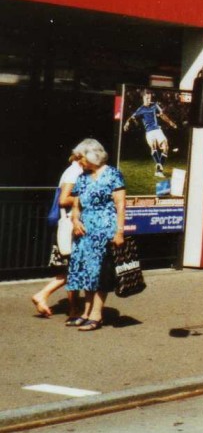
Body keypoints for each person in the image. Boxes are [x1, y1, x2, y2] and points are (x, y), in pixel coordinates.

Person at [65, 138, 126, 331]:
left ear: (92, 155)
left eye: (81, 157)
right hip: (84, 232)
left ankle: (97, 314)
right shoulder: (83, 177)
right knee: (85, 271)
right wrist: (75, 221)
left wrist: (120, 231)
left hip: (105, 229)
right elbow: (75, 204)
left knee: (100, 272)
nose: (78, 161)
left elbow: (120, 204)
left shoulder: (113, 174)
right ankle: (86, 312)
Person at [30, 150, 84, 318]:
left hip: (66, 224)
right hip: (69, 225)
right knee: (74, 268)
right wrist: (88, 198)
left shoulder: (72, 170)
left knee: (72, 269)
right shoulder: (75, 172)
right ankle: (47, 296)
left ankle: (71, 307)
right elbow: (64, 199)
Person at [123, 91, 177, 178]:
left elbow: (162, 115)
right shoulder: (141, 109)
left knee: (165, 147)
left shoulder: (155, 105)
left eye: (150, 98)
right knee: (153, 146)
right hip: (149, 132)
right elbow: (132, 117)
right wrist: (127, 123)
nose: (149, 100)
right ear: (143, 98)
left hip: (157, 130)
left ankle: (158, 168)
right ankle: (159, 169)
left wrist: (171, 122)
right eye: (147, 98)